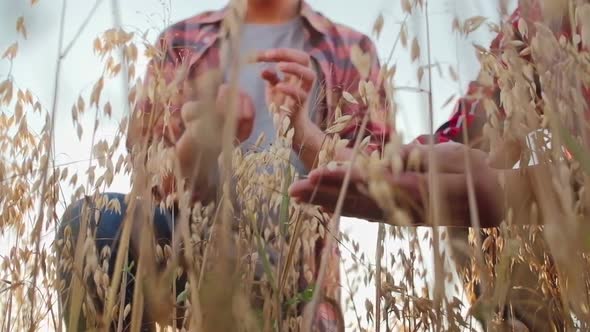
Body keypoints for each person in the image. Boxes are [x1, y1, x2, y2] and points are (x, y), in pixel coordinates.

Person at [55, 0, 390, 330]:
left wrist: (303, 132)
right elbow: (151, 183)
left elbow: (382, 185)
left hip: (295, 279)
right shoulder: (181, 41)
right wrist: (201, 139)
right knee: (91, 222)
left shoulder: (351, 49)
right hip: (191, 253)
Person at [289, 1, 589, 331]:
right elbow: (467, 132)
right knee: (465, 205)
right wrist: (314, 142)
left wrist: (534, 192)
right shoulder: (538, 18)